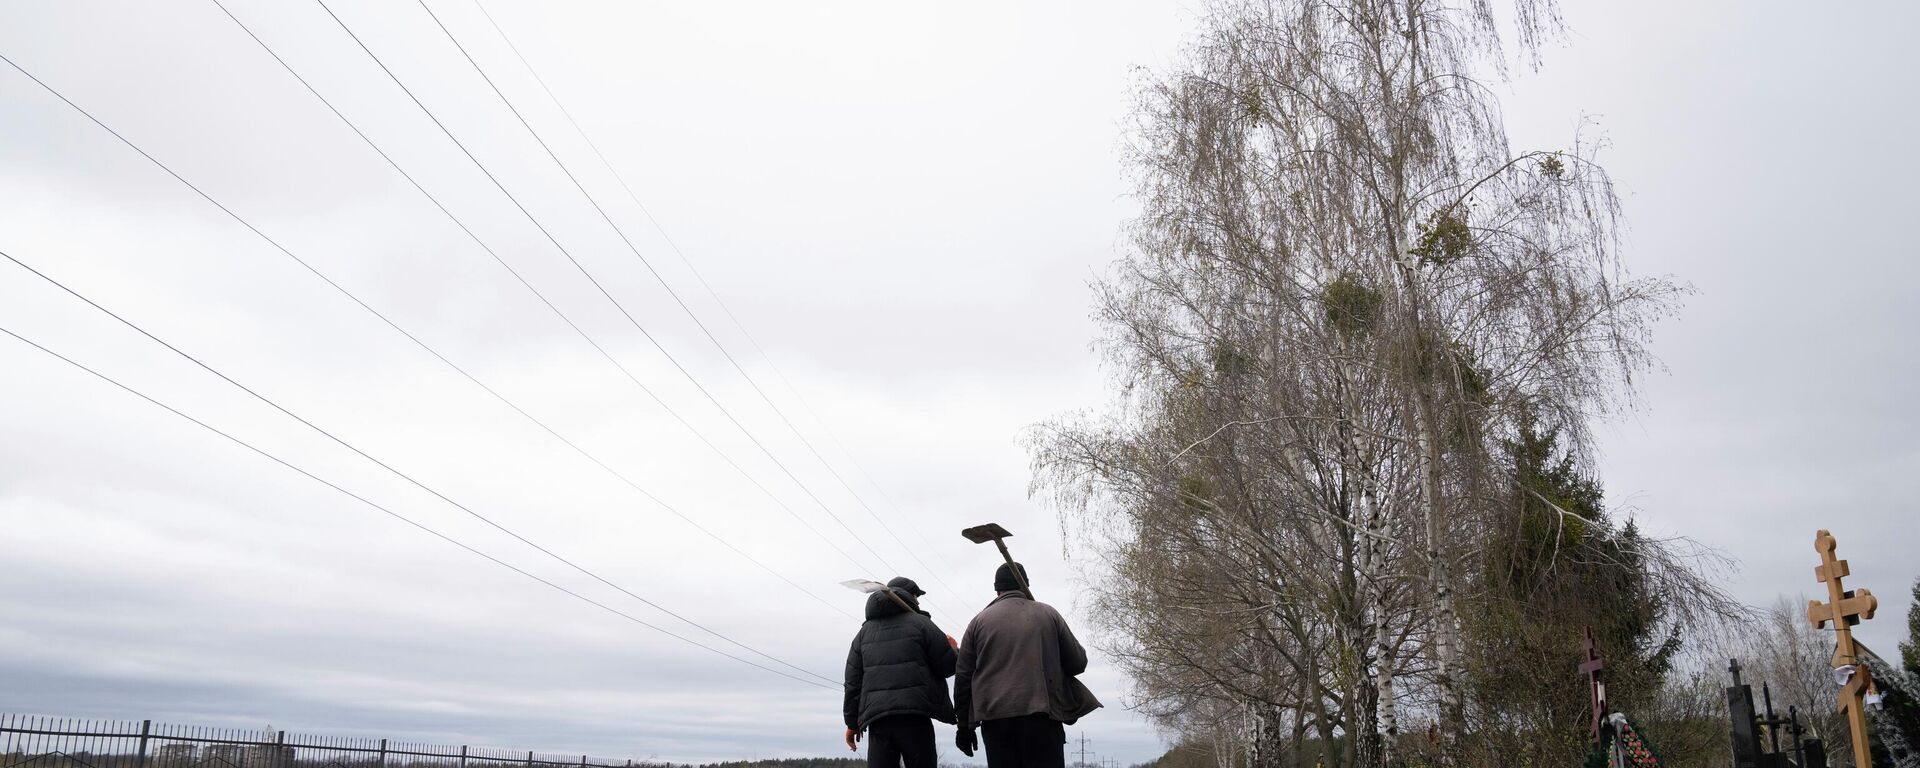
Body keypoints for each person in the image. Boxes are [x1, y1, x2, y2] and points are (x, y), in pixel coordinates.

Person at [953, 562, 1092, 768]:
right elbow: (1078, 663)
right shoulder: (1049, 614)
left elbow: (963, 677)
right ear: (1026, 584)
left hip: (996, 721)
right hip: (1043, 718)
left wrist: (964, 727)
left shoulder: (977, 622)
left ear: (996, 589)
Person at [844, 577, 958, 768]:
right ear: (910, 596)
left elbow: (852, 683)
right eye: (917, 596)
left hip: (878, 721)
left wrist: (851, 723)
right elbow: (946, 667)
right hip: (915, 717)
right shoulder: (922, 624)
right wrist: (953, 650)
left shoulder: (863, 634)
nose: (919, 602)